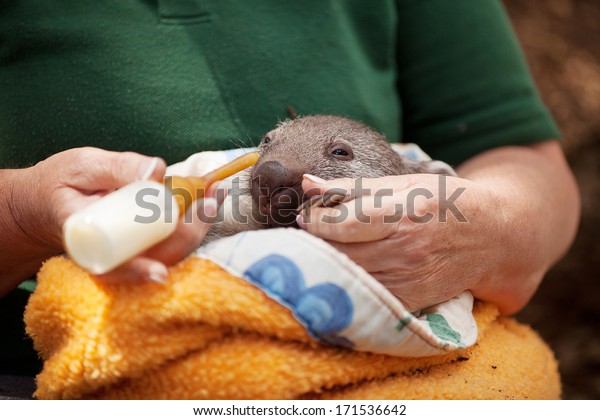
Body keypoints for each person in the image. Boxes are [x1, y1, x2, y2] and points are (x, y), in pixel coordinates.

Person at [0, 0, 579, 375]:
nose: (273, 168)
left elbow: (516, 148)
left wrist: (490, 226)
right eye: (271, 147)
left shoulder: (419, 177)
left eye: (340, 156)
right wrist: (22, 216)